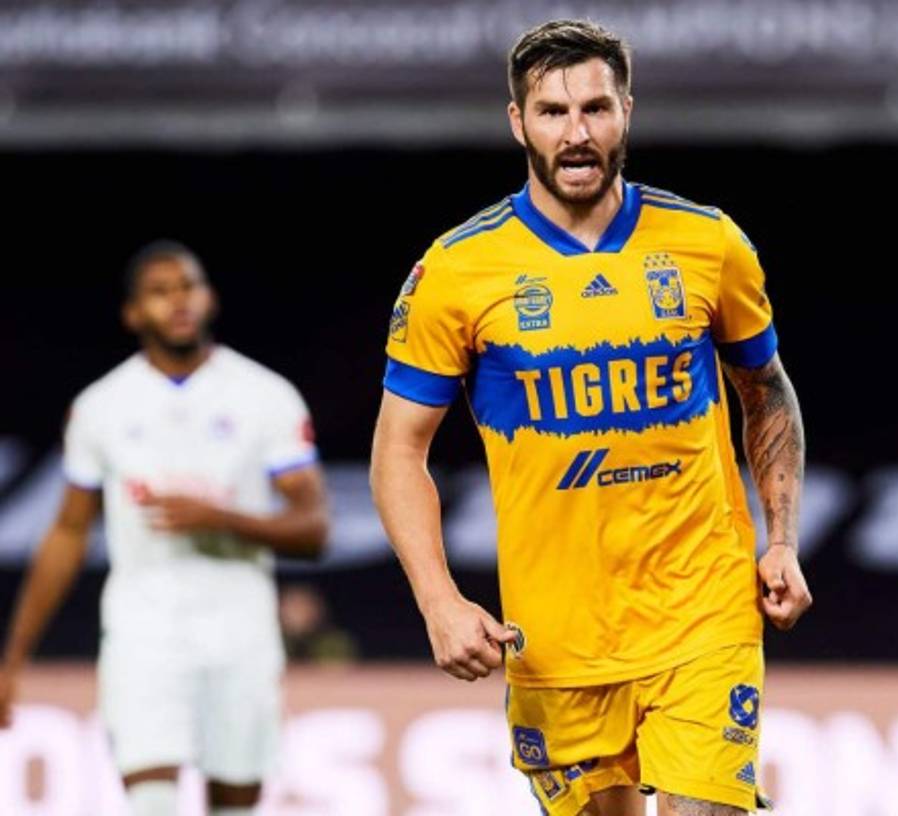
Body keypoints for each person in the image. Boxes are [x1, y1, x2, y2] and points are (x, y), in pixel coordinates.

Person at [370, 19, 809, 816]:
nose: (576, 134)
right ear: (518, 122)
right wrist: (439, 601)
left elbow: (766, 389)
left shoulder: (707, 243)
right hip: (556, 639)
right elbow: (398, 451)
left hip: (702, 611)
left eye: (595, 109)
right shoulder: (457, 271)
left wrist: (780, 540)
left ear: (625, 113)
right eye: (553, 112)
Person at [0, 241, 329, 816]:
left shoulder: (266, 396)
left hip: (239, 629)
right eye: (159, 292)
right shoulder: (100, 407)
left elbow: (315, 528)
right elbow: (68, 533)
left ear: (210, 298)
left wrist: (220, 519)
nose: (178, 301)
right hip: (143, 630)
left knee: (235, 804)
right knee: (151, 800)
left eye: (187, 287)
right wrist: (14, 658)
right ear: (133, 313)